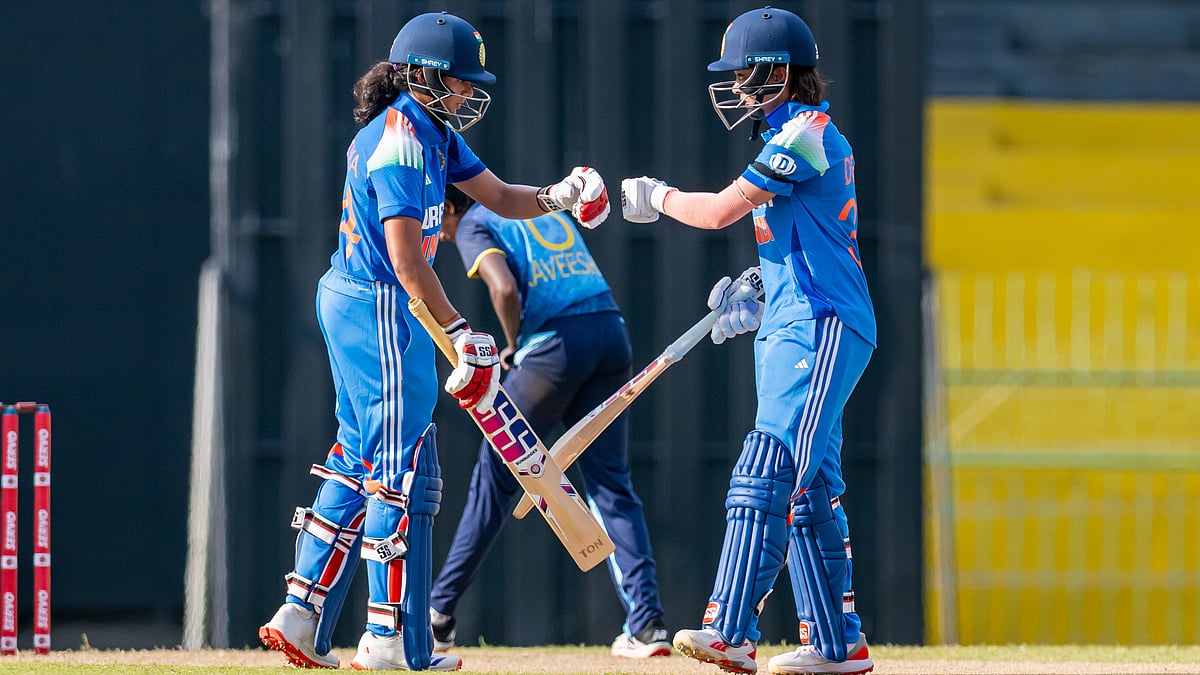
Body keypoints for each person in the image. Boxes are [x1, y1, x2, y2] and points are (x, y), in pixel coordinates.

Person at [257, 11, 611, 671]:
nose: (468, 94)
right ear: (422, 77)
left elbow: (502, 198)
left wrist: (562, 193)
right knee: (395, 467)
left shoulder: (432, 132)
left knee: (357, 452)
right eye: (458, 82)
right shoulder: (398, 141)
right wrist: (459, 328)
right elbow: (406, 260)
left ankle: (300, 611)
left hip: (372, 302)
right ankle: (385, 638)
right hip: (382, 306)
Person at [619, 7, 876, 675]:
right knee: (811, 484)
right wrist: (760, 293)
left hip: (821, 324)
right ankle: (835, 644)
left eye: (743, 75)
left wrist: (660, 194)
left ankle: (730, 628)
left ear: (780, 74)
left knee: (768, 468)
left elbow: (716, 212)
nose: (734, 87)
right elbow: (808, 239)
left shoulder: (807, 134)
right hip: (796, 319)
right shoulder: (791, 135)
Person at [428, 185, 671, 659]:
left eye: (442, 224)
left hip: (553, 349)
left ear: (452, 207)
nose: (444, 236)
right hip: (609, 334)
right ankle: (648, 626)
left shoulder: (477, 221)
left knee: (495, 478)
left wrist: (515, 347)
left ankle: (438, 614)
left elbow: (502, 287)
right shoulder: (544, 215)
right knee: (610, 484)